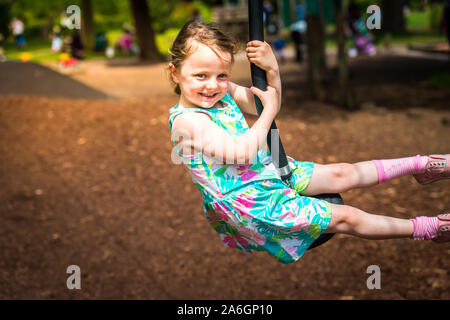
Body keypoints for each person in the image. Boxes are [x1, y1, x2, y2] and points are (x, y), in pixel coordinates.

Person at [167, 20, 450, 264]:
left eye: (222, 75)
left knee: (343, 173)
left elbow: (266, 100)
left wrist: (272, 69)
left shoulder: (221, 92)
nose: (212, 85)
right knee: (346, 217)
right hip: (253, 201)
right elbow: (242, 150)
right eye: (200, 75)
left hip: (266, 169)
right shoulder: (187, 121)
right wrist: (269, 112)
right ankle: (429, 228)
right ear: (175, 73)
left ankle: (422, 165)